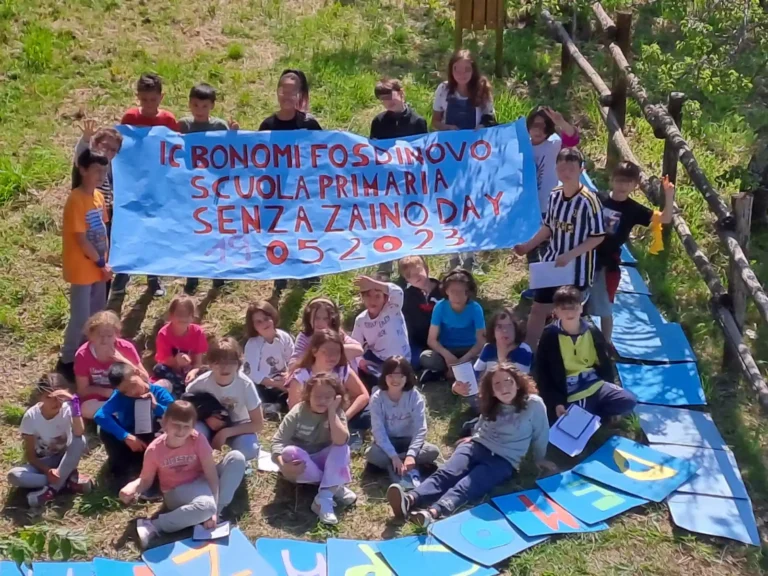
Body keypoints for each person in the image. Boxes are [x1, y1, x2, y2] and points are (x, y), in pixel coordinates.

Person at [387, 363, 555, 526]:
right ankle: (410, 499)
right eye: (497, 384)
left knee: (468, 485)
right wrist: (473, 437)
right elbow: (482, 421)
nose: (504, 387)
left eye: (508, 381)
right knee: (446, 473)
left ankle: (432, 513)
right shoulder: (492, 403)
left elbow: (541, 432)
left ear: (518, 383)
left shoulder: (533, 404)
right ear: (492, 391)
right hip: (477, 446)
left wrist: (540, 459)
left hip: (503, 460)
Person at [119, 400, 246, 549]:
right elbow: (146, 480)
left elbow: (210, 472)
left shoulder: (197, 439)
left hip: (202, 481)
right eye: (176, 425)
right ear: (165, 423)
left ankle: (215, 512)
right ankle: (153, 525)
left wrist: (214, 510)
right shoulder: (154, 450)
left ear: (192, 427)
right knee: (206, 506)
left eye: (186, 426)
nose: (181, 431)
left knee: (236, 457)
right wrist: (132, 487)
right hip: (177, 491)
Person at [514, 148, 605, 351]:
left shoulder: (589, 201)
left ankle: (574, 354)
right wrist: (527, 246)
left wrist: (571, 255)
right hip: (552, 263)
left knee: (570, 314)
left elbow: (598, 236)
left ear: (581, 170)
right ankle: (528, 352)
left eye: (571, 168)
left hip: (576, 270)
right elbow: (548, 226)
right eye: (562, 167)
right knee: (538, 308)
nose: (566, 172)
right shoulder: (554, 195)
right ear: (556, 169)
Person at [589, 164, 675, 344]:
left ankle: (606, 343)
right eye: (620, 180)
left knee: (605, 306)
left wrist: (668, 194)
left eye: (628, 182)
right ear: (611, 179)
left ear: (635, 185)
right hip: (584, 256)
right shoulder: (597, 198)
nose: (623, 185)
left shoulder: (633, 209)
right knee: (575, 299)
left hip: (607, 262)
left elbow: (665, 218)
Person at [431, 50, 496, 272]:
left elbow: (490, 119)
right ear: (451, 70)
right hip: (449, 152)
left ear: (473, 70)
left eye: (466, 69)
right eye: (457, 69)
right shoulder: (443, 90)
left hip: (474, 155)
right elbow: (435, 121)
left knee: (471, 202)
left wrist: (481, 130)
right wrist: (448, 128)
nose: (462, 73)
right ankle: (452, 253)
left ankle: (470, 254)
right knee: (451, 202)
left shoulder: (482, 89)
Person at [259, 69, 322, 291]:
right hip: (276, 186)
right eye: (282, 90)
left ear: (300, 95)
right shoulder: (267, 125)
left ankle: (307, 269)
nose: (286, 96)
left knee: (303, 226)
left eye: (292, 92)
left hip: (303, 188)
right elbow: (257, 158)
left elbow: (322, 155)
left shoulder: (310, 124)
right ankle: (281, 272)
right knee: (279, 228)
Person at [537, 286, 637, 423]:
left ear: (581, 308)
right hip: (568, 390)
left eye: (573, 307)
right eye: (564, 308)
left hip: (594, 384)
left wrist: (611, 383)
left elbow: (605, 362)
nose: (569, 312)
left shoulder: (592, 331)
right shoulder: (549, 335)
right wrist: (556, 402)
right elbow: (543, 373)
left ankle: (595, 414)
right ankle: (589, 415)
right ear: (556, 311)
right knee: (570, 422)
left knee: (628, 401)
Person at [56, 149, 113, 383]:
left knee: (96, 314)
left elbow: (102, 230)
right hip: (83, 268)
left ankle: (86, 355)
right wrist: (100, 261)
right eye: (96, 170)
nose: (100, 175)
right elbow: (82, 239)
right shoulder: (76, 199)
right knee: (80, 317)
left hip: (100, 267)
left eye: (104, 171)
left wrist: (106, 261)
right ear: (83, 170)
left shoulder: (98, 197)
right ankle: (67, 360)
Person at [118, 72, 177, 297]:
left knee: (154, 231)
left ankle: (153, 278)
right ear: (138, 98)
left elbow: (177, 151)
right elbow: (123, 149)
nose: (149, 104)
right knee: (132, 229)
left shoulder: (168, 120)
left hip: (159, 184)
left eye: (153, 100)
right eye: (144, 100)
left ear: (161, 98)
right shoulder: (130, 118)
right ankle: (123, 274)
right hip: (134, 184)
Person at [272, 373, 356, 525]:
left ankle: (323, 498)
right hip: (302, 463)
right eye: (317, 395)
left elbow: (340, 440)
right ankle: (333, 486)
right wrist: (283, 466)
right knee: (289, 451)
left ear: (336, 398)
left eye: (328, 397)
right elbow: (277, 442)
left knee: (342, 447)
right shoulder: (298, 412)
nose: (322, 400)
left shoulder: (337, 413)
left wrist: (331, 413)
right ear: (308, 395)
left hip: (324, 459)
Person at [180, 82, 239, 294]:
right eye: (195, 105)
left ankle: (218, 275)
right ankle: (192, 276)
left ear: (212, 106)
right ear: (189, 104)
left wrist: (232, 135)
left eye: (204, 106)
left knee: (216, 230)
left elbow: (230, 152)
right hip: (192, 189)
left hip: (214, 189)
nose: (199, 110)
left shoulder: (219, 127)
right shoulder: (183, 126)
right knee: (193, 232)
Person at [520, 107, 580, 300]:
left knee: (548, 248)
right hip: (526, 207)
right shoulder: (521, 144)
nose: (539, 130)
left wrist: (561, 122)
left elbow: (572, 139)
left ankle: (552, 289)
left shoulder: (553, 144)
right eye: (535, 125)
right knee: (531, 249)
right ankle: (537, 287)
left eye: (544, 126)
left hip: (548, 208)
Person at [7, 375, 92, 507]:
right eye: (49, 398)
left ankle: (51, 490)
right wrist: (47, 471)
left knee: (80, 440)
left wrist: (74, 403)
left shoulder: (68, 408)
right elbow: (30, 455)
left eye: (59, 397)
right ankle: (67, 482)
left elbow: (79, 432)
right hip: (42, 463)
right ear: (40, 397)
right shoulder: (31, 416)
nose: (55, 402)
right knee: (14, 475)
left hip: (65, 459)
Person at [366, 356, 440, 488]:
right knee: (372, 454)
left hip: (409, 441)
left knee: (433, 451)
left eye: (400, 375)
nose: (395, 380)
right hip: (388, 442)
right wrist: (393, 456)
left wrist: (411, 454)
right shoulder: (377, 398)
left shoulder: (414, 396)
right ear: (384, 376)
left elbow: (420, 429)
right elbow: (378, 431)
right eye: (391, 375)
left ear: (407, 377)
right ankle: (402, 464)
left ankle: (399, 465)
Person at [186, 338, 264, 460]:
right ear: (210, 364)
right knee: (191, 436)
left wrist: (226, 432)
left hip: (238, 426)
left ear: (238, 364)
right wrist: (206, 417)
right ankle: (201, 461)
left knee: (250, 450)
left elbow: (258, 424)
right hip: (208, 424)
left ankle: (230, 463)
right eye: (219, 363)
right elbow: (184, 406)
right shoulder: (201, 383)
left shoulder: (245, 384)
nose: (225, 367)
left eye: (231, 362)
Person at [286, 330, 370, 442]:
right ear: (314, 351)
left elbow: (363, 395)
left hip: (338, 415)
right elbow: (295, 409)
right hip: (311, 420)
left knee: (368, 414)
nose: (332, 357)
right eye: (326, 352)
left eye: (336, 352)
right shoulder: (301, 376)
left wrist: (344, 417)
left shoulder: (342, 370)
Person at [94, 362, 174, 479]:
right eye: (125, 391)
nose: (131, 392)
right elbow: (100, 415)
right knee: (105, 430)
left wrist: (156, 407)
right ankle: (120, 471)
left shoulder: (159, 392)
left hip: (154, 439)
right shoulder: (120, 397)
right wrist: (126, 436)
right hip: (131, 440)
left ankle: (153, 471)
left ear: (137, 373)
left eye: (132, 385)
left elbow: (176, 415)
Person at [452, 308, 533, 414]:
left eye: (509, 326)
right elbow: (475, 375)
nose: (505, 331)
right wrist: (457, 387)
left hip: (512, 399)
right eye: (500, 327)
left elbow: (516, 384)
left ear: (516, 329)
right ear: (493, 331)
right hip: (490, 394)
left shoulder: (523, 350)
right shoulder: (489, 348)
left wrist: (502, 356)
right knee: (473, 394)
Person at [73, 310, 149, 419]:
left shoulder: (125, 348)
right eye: (100, 335)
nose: (104, 340)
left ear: (117, 334)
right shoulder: (82, 355)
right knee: (86, 409)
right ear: (90, 335)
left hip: (128, 392)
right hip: (101, 397)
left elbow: (145, 378)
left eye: (109, 336)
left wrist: (123, 360)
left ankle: (119, 414)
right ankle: (126, 413)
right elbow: (83, 390)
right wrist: (106, 392)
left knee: (161, 385)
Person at [420, 269, 486, 383]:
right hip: (447, 349)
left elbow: (481, 341)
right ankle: (458, 371)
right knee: (425, 357)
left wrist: (463, 359)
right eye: (453, 291)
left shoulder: (475, 308)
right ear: (446, 291)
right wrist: (447, 356)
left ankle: (448, 373)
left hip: (470, 350)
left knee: (484, 360)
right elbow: (431, 340)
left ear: (468, 292)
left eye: (461, 291)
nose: (457, 296)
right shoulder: (440, 307)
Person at [351, 276, 411, 391]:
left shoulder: (392, 308)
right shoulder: (361, 320)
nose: (372, 300)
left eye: (377, 296)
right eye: (368, 296)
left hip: (400, 358)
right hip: (377, 358)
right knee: (361, 369)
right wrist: (361, 361)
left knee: (404, 370)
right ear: (362, 297)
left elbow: (398, 292)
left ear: (385, 298)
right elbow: (355, 344)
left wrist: (373, 283)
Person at [243, 300, 295, 417]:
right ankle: (268, 407)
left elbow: (292, 360)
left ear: (273, 316)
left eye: (266, 318)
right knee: (252, 391)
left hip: (282, 380)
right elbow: (252, 373)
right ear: (253, 326)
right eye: (258, 322)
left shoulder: (284, 337)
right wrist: (276, 384)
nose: (264, 323)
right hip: (263, 384)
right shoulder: (253, 344)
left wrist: (288, 375)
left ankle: (277, 406)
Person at [153, 295, 208, 397]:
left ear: (192, 316)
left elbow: (198, 362)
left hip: (190, 371)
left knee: (207, 371)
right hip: (171, 371)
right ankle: (181, 392)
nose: (183, 318)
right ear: (171, 315)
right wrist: (176, 360)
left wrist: (193, 371)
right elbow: (163, 360)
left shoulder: (198, 332)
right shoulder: (163, 334)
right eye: (179, 314)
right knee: (159, 368)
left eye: (187, 314)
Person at [290, 297, 364, 369]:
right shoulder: (305, 337)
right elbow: (293, 364)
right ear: (309, 318)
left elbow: (358, 350)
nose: (320, 322)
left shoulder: (338, 334)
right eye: (316, 318)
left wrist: (332, 350)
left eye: (325, 319)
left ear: (332, 320)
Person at [397, 256, 441, 369]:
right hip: (418, 342)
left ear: (426, 268)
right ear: (406, 280)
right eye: (409, 276)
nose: (415, 277)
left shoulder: (443, 290)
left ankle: (440, 365)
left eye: (418, 271)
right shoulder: (406, 296)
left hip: (443, 339)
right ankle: (435, 368)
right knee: (411, 362)